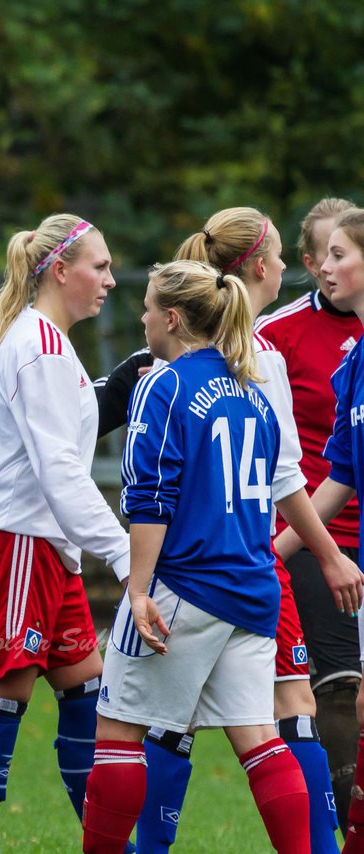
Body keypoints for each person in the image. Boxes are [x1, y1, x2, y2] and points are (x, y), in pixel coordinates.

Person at [81, 259, 315, 854]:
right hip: (253, 588)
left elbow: (151, 497)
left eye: (148, 306)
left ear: (174, 318)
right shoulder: (253, 391)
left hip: (185, 587)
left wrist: (137, 591)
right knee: (261, 740)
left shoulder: (165, 382)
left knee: (116, 732)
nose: (141, 316)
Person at [152, 207, 360, 853]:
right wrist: (326, 554)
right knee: (288, 715)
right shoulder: (262, 351)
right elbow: (287, 475)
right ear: (266, 267)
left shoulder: (170, 356)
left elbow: (151, 485)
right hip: (253, 561)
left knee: (163, 723)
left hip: (187, 564)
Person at [0, 214, 129, 853]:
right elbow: (59, 471)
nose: (110, 278)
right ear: (61, 270)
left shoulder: (47, 341)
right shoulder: (42, 346)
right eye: (100, 266)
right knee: (1, 704)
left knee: (86, 695)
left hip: (45, 548)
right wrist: (124, 554)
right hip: (15, 544)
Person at [258, 198, 363, 829]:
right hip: (331, 550)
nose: (323, 268)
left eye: (339, 255)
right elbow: (339, 475)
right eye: (319, 255)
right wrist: (275, 550)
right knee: (341, 696)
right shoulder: (349, 363)